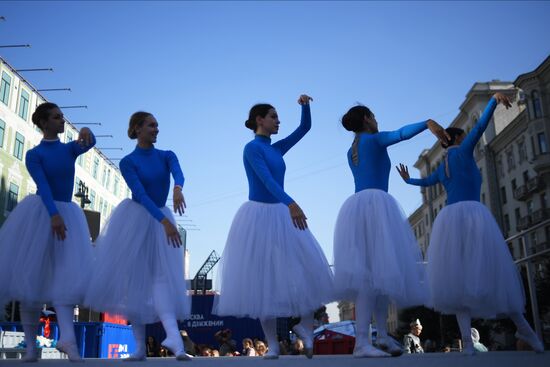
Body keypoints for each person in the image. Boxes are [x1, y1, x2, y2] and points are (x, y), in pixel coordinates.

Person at [397, 92, 544, 355]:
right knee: (495, 273)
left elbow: (426, 183)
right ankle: (528, 331)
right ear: (456, 139)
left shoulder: (442, 167)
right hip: (473, 216)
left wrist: (408, 182)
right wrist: (493, 101)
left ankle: (468, 343)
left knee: (459, 282)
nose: (467, 137)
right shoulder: (463, 151)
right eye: (463, 136)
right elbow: (480, 126)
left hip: (450, 221)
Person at [213, 95, 334, 359]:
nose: (278, 121)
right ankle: (273, 343)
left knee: (307, 267)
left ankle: (304, 324)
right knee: (261, 281)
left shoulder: (276, 149)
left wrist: (305, 106)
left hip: (280, 213)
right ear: (260, 120)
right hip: (258, 215)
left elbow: (304, 129)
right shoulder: (252, 148)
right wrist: (291, 203)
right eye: (274, 117)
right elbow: (266, 179)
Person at [333, 104, 448, 357]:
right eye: (374, 115)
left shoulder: (351, 149)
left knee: (378, 276)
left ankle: (382, 335)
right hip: (376, 206)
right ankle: (362, 342)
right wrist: (428, 122)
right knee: (370, 277)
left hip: (359, 207)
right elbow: (400, 134)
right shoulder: (374, 140)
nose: (377, 120)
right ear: (366, 119)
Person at [84, 111, 191, 361]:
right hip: (137, 219)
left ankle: (174, 337)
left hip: (161, 217)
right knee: (136, 283)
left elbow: (179, 173)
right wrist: (163, 221)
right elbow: (141, 195)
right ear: (137, 129)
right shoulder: (128, 162)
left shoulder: (167, 155)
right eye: (151, 125)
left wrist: (177, 189)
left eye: (157, 125)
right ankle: (139, 347)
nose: (156, 129)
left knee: (162, 278)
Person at [0, 102, 95, 362]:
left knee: (65, 277)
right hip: (42, 214)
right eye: (57, 117)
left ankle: (68, 340)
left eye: (62, 116)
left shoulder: (69, 149)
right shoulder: (34, 155)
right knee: (30, 283)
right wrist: (53, 215)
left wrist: (86, 129)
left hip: (68, 215)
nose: (62, 120)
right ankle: (31, 348)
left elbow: (89, 143)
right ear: (44, 123)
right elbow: (43, 185)